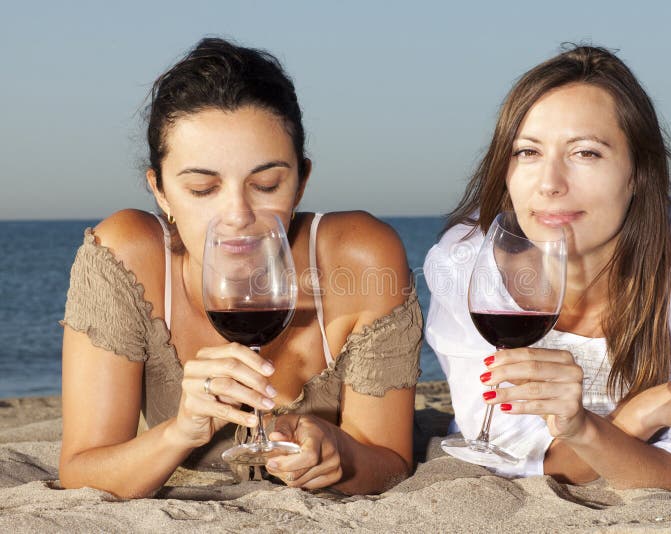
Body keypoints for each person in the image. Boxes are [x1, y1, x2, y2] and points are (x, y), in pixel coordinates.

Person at [59, 37, 421, 498]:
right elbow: (81, 471)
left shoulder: (363, 258)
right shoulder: (126, 258)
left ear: (301, 181)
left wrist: (340, 453)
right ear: (161, 192)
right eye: (202, 189)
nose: (238, 216)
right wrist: (180, 431)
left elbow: (390, 463)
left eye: (266, 184)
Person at [424, 45, 671, 494]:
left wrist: (584, 432)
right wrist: (647, 411)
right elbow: (516, 460)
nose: (550, 184)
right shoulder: (466, 263)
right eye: (527, 152)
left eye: (585, 153)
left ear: (638, 172)